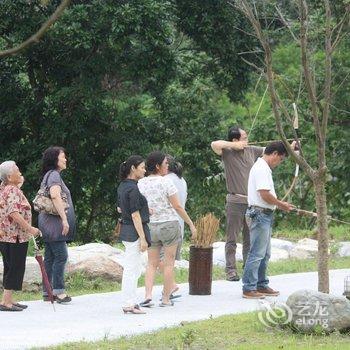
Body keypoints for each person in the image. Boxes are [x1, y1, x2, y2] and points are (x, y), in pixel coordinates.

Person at [138, 151, 196, 307]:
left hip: (151, 226)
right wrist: (190, 223)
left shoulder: (141, 183)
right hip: (169, 224)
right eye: (165, 163)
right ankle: (165, 298)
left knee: (151, 263)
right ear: (157, 166)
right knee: (169, 263)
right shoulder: (166, 182)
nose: (167, 166)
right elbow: (177, 206)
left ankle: (148, 295)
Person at [242, 141, 294, 299]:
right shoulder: (261, 168)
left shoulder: (263, 167)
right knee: (257, 253)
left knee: (265, 253)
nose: (279, 163)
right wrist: (281, 204)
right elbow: (264, 193)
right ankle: (249, 288)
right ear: (275, 154)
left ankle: (261, 284)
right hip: (259, 213)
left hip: (264, 214)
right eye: (281, 159)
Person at [211, 126, 264, 281]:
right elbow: (214, 144)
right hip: (235, 201)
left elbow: (270, 149)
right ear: (235, 140)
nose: (247, 140)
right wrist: (234, 146)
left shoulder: (252, 150)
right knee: (232, 238)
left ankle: (248, 268)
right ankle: (231, 270)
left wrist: (291, 147)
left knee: (249, 238)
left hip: (251, 201)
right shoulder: (227, 152)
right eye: (244, 138)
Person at [0, 161, 40, 311]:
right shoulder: (12, 190)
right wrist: (31, 229)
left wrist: (18, 184)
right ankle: (6, 302)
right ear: (10, 176)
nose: (20, 171)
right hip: (15, 236)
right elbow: (14, 213)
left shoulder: (5, 188)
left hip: (6, 235)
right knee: (15, 267)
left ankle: (8, 299)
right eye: (17, 170)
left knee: (10, 266)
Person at [38, 147, 76, 304]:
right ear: (55, 159)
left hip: (47, 223)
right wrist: (64, 219)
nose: (65, 159)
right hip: (54, 224)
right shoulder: (54, 175)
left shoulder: (50, 175)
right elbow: (54, 195)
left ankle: (47, 291)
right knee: (61, 256)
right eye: (63, 157)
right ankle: (59, 291)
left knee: (50, 257)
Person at [117, 155, 151, 314]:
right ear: (133, 168)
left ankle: (130, 301)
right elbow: (135, 215)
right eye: (142, 167)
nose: (144, 170)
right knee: (132, 269)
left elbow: (120, 208)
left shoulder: (123, 186)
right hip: (134, 232)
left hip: (126, 230)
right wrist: (143, 238)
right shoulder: (133, 188)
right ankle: (128, 303)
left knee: (133, 268)